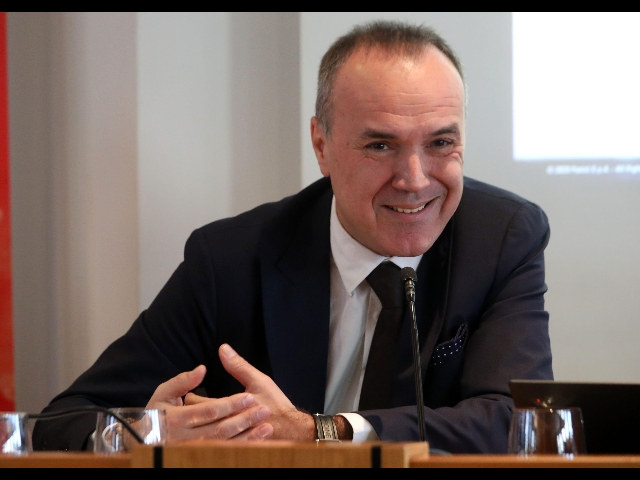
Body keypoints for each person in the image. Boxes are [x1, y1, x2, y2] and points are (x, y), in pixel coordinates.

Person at [32, 21, 552, 453]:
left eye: (441, 143)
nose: (415, 180)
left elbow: (514, 422)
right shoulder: (231, 260)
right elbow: (64, 421)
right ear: (321, 146)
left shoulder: (501, 239)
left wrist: (321, 431)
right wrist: (148, 433)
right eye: (380, 145)